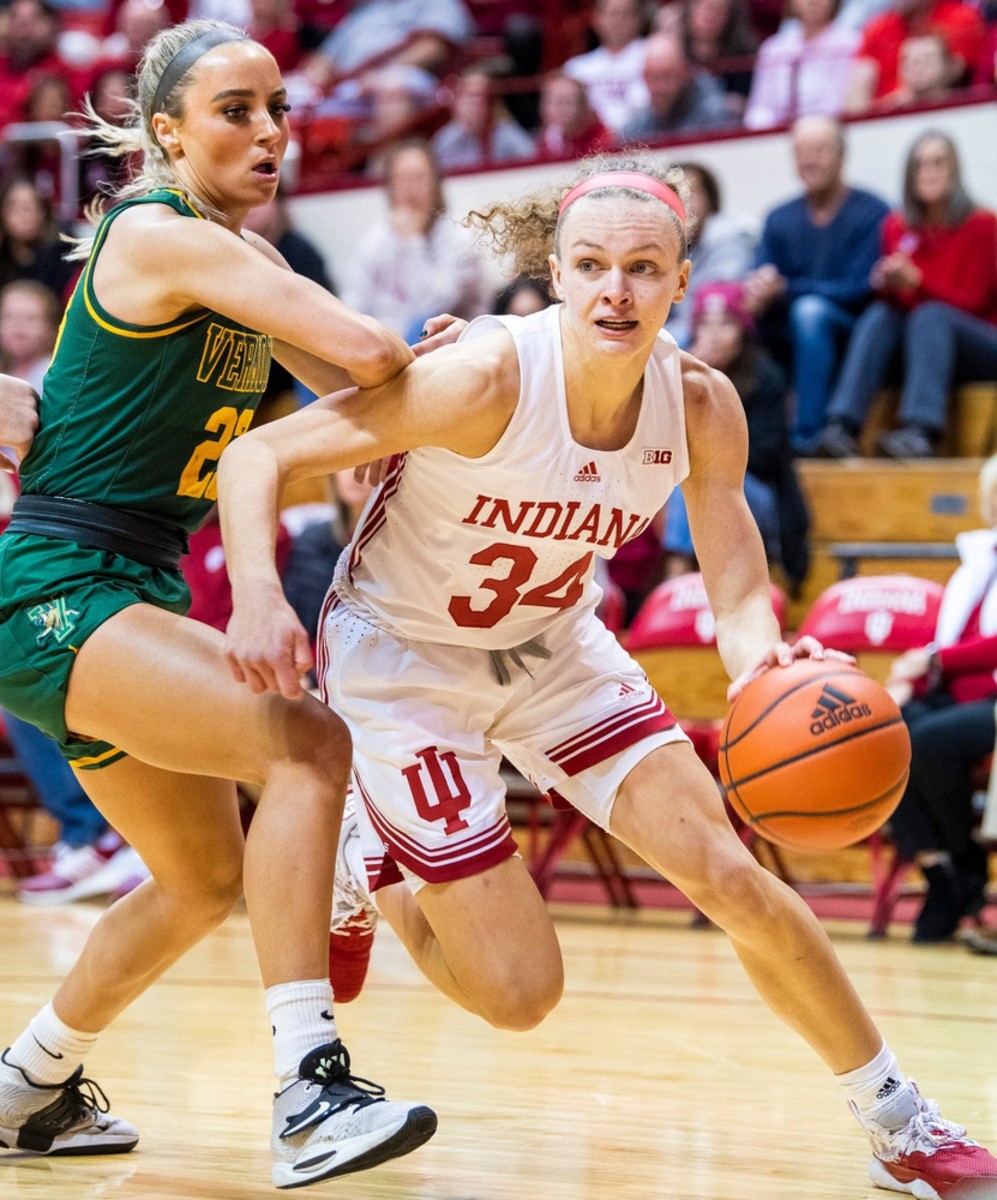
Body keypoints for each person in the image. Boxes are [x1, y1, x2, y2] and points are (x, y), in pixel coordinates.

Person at [218, 155, 997, 1199]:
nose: (615, 290)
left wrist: (762, 662)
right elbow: (255, 459)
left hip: (556, 648)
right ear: (554, 272)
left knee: (729, 872)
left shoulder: (701, 403)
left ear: (682, 281)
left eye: (642, 268)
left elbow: (730, 578)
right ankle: (372, 863)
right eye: (590, 266)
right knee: (518, 995)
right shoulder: (484, 375)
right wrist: (261, 598)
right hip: (407, 662)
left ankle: (897, 1121)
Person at [0, 18, 439, 1189]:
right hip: (57, 585)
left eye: (278, 107)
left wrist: (427, 369)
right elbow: (362, 347)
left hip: (124, 588)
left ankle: (25, 1085)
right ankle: (310, 1086)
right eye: (235, 109)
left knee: (200, 879)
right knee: (304, 743)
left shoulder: (245, 269)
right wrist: (410, 364)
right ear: (166, 133)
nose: (269, 131)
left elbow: (371, 381)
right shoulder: (160, 232)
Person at [815, 130, 997, 460]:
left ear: (954, 170)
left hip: (980, 342)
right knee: (881, 315)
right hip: (925, 347)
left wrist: (916, 284)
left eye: (938, 163)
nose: (928, 172)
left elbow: (975, 302)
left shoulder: (982, 224)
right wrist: (887, 286)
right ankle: (841, 427)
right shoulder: (896, 226)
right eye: (919, 165)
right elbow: (902, 308)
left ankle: (921, 432)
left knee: (931, 314)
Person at [884, 454, 997, 942]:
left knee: (927, 742)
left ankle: (967, 868)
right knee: (877, 733)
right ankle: (941, 870)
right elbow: (946, 636)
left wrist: (933, 662)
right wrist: (913, 678)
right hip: (952, 698)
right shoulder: (976, 561)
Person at [742, 116, 890, 453]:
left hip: (856, 330)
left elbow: (861, 289)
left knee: (810, 312)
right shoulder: (778, 217)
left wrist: (787, 290)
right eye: (801, 152)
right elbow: (761, 276)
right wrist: (760, 291)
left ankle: (807, 435)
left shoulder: (873, 212)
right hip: (788, 332)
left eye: (820, 150)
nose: (810, 160)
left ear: (841, 155)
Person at [341, 138, 492, 342]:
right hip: (384, 349)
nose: (410, 189)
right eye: (402, 179)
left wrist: (412, 241)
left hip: (447, 348)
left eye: (418, 178)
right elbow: (353, 306)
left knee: (420, 328)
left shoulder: (461, 240)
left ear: (436, 185)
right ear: (389, 187)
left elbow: (433, 307)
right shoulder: (374, 242)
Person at [664, 160, 757, 349]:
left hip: (715, 335)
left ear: (710, 201)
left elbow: (715, 309)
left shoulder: (729, 240)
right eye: (675, 195)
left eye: (691, 194)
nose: (684, 203)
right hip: (677, 332)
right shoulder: (663, 242)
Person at [743, 0, 860, 130]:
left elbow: (841, 105)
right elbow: (759, 108)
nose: (812, 2)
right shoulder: (773, 49)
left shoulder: (850, 44)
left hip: (827, 134)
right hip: (776, 136)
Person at [620, 32, 736, 142]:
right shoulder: (638, 125)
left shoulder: (714, 116)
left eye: (667, 76)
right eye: (652, 77)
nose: (660, 87)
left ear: (685, 73)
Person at [562, 0, 651, 138]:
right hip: (589, 147)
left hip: (643, 140)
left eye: (625, 14)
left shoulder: (653, 55)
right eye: (612, 14)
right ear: (597, 18)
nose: (617, 20)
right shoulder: (576, 68)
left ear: (638, 19)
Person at [431, 67, 536, 171]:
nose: (476, 103)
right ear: (457, 100)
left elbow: (534, 160)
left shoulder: (506, 133)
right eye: (471, 96)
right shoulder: (446, 139)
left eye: (482, 96)